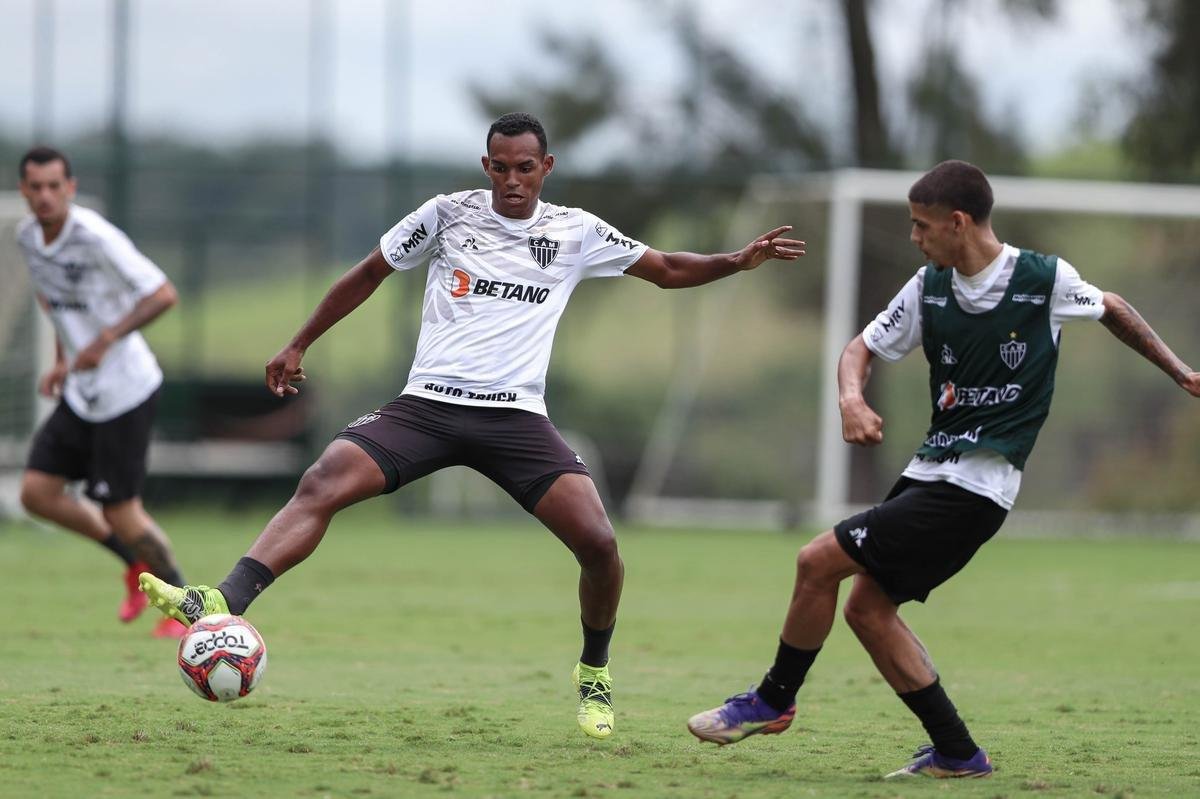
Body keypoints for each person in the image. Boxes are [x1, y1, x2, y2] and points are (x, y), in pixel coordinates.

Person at [140, 112, 805, 738]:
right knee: (323, 479)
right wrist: (298, 341)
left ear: (546, 166)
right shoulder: (447, 214)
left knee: (600, 543)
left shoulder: (575, 231)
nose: (512, 181)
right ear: (486, 165)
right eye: (501, 168)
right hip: (427, 406)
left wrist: (733, 261)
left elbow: (662, 269)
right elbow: (370, 271)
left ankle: (594, 672)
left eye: (525, 168)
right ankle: (220, 599)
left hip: (514, 416)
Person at [686, 159, 1200, 776]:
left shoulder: (1043, 280)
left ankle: (772, 699)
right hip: (933, 471)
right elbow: (861, 349)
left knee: (816, 561)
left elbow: (1110, 306)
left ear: (958, 222)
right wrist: (852, 398)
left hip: (977, 486)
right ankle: (957, 753)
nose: (914, 237)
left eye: (922, 225)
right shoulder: (928, 285)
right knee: (866, 610)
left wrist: (1182, 372)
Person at [16, 146, 189, 639]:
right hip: (81, 389)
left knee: (122, 511)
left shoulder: (95, 238)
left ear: (70, 188)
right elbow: (53, 301)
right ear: (24, 190)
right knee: (38, 494)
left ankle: (186, 608)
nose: (45, 196)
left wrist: (104, 341)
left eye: (55, 186)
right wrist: (63, 361)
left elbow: (162, 293)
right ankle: (135, 567)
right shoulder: (28, 237)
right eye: (36, 187)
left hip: (125, 389)